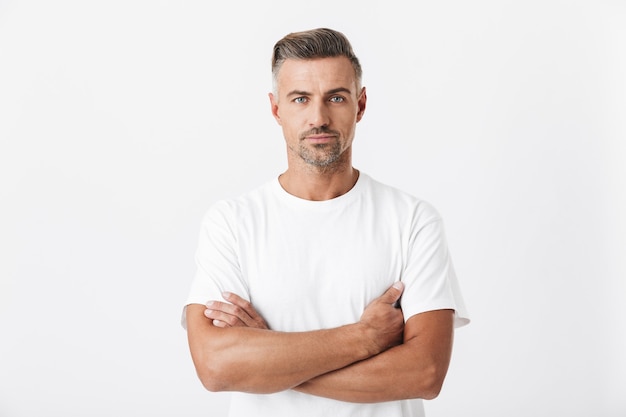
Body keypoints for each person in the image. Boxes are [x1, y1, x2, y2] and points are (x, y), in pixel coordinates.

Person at [182, 27, 470, 417]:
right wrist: (364, 338)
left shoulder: (412, 220)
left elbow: (425, 373)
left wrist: (269, 359)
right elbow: (216, 368)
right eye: (300, 98)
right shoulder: (231, 223)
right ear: (276, 109)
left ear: (361, 105)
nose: (318, 117)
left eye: (336, 97)